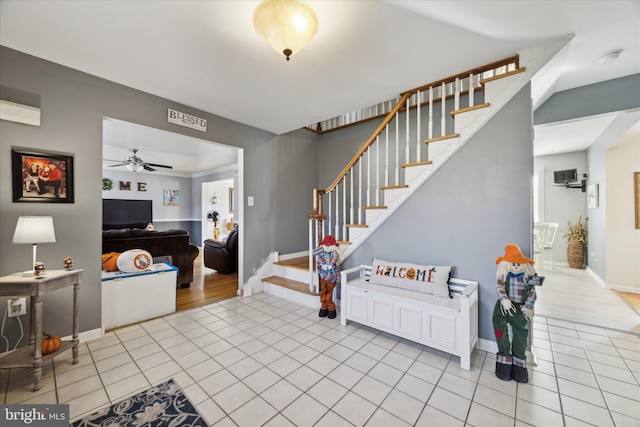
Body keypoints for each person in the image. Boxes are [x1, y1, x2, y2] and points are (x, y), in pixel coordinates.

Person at [492, 244, 537, 383]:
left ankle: (519, 365)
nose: (516, 266)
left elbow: (532, 292)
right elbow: (499, 287)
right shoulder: (503, 275)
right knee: (500, 331)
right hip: (503, 308)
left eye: (519, 263)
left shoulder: (527, 277)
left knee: (521, 334)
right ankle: (504, 360)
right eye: (514, 263)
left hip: (519, 309)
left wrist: (527, 306)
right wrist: (504, 299)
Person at [315, 235, 340, 319]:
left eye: (329, 245)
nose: (328, 246)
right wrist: (323, 264)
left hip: (331, 276)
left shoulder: (334, 252)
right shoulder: (321, 251)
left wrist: (330, 265)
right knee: (323, 290)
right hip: (323, 275)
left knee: (329, 292)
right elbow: (318, 258)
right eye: (326, 245)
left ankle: (331, 308)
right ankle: (323, 306)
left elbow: (335, 258)